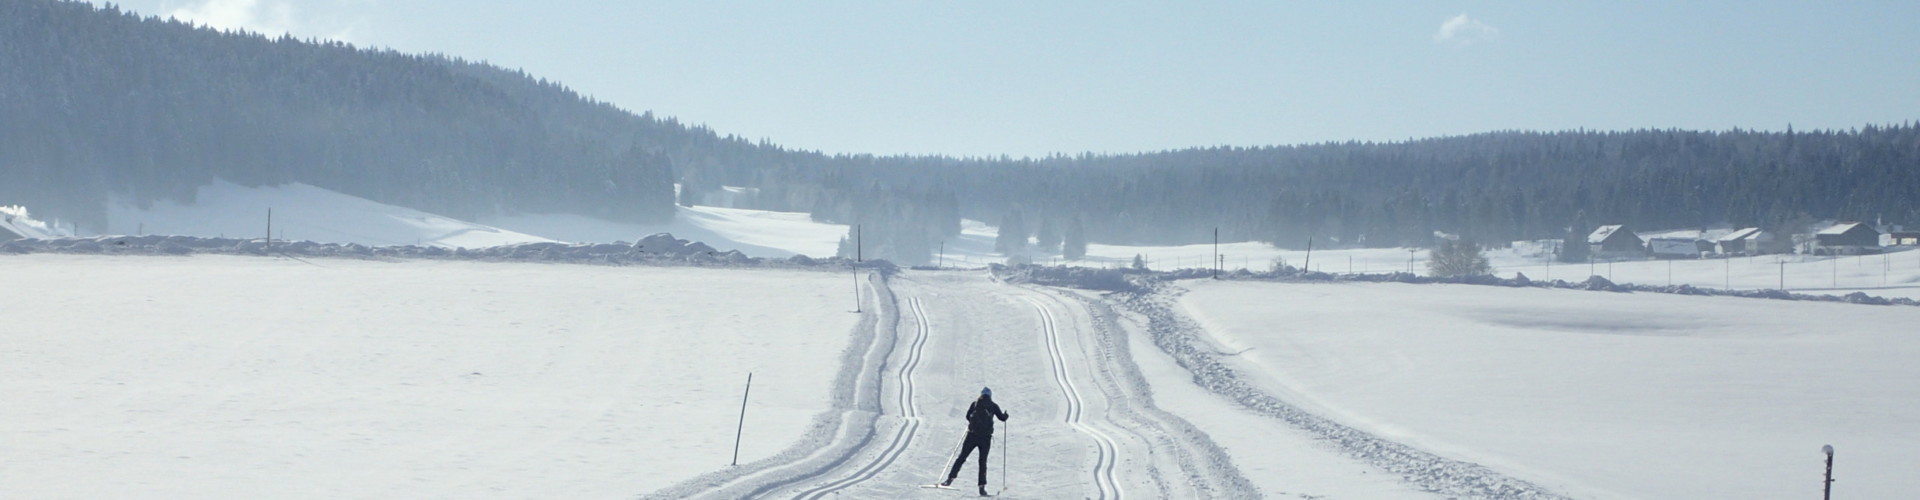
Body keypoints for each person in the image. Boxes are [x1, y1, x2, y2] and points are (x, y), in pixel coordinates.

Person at [943, 387, 1009, 496]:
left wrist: (973, 424)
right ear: (990, 395)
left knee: (962, 457)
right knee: (982, 462)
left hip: (972, 436)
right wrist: (1006, 415)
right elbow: (1002, 418)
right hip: (986, 438)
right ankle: (981, 487)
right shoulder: (993, 406)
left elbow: (968, 416)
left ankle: (950, 479)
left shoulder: (975, 404)